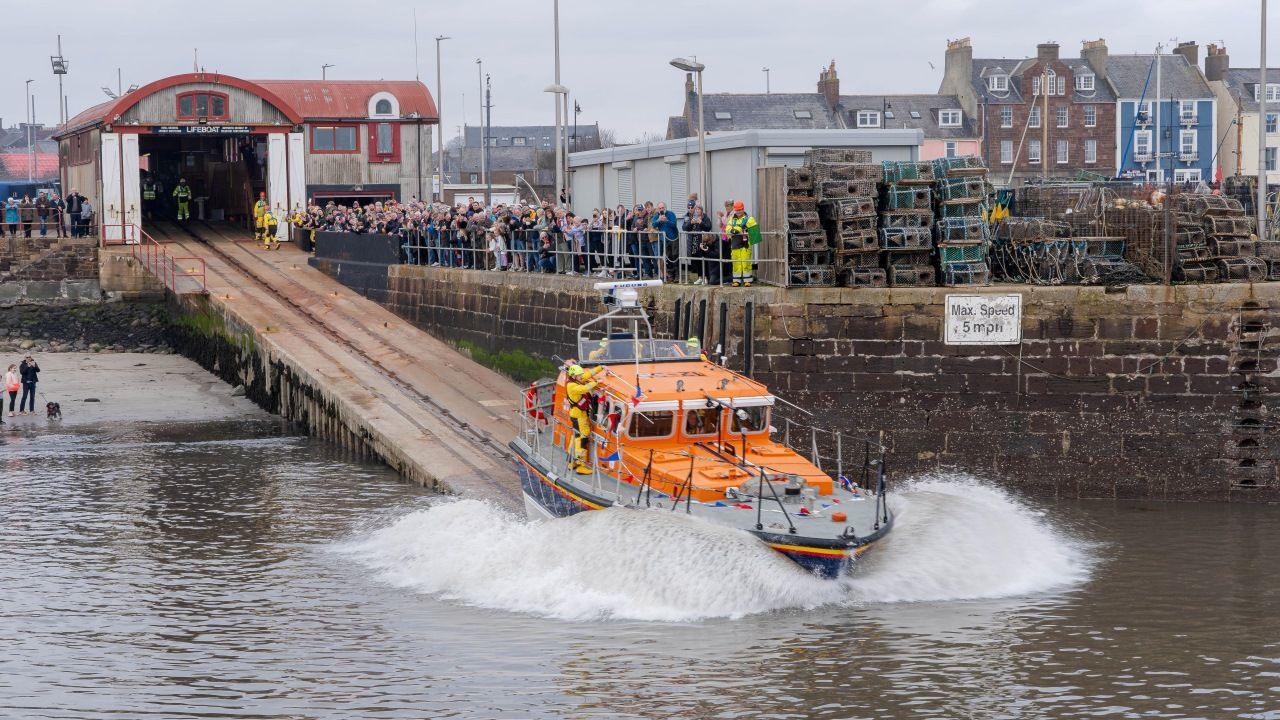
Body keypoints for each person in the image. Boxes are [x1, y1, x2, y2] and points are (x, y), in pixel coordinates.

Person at [565, 364, 604, 475]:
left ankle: (571, 461)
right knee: (583, 437)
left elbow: (588, 374)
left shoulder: (576, 380)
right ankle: (580, 465)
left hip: (577, 414)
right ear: (574, 376)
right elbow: (584, 388)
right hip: (579, 415)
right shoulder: (572, 386)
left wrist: (600, 368)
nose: (581, 377)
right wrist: (596, 382)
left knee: (576, 436)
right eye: (579, 375)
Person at [725, 200, 761, 286]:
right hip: (735, 244)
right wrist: (733, 230)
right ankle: (736, 281)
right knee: (736, 263)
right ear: (735, 210)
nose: (739, 212)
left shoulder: (749, 219)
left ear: (743, 209)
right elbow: (727, 230)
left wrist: (746, 231)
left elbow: (755, 233)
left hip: (745, 245)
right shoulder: (731, 219)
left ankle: (747, 280)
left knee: (746, 262)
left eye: (740, 209)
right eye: (737, 210)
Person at [682, 204, 714, 284]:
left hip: (703, 241)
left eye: (699, 209)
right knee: (697, 260)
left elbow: (708, 227)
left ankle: (706, 278)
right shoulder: (691, 218)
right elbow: (684, 228)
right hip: (694, 242)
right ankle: (700, 277)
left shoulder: (705, 218)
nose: (697, 211)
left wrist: (701, 222)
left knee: (704, 259)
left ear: (701, 211)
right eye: (696, 209)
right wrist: (691, 223)